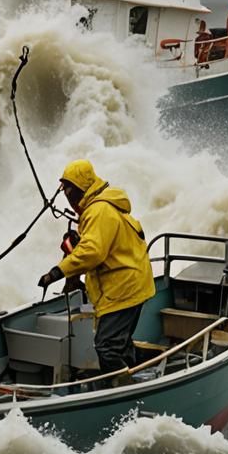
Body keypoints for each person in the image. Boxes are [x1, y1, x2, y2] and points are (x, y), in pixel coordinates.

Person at [38, 161, 155, 381]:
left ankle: (127, 392)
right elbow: (99, 244)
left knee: (106, 348)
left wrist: (57, 272)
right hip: (131, 284)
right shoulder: (100, 207)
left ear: (80, 188)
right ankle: (137, 371)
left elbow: (92, 252)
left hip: (124, 290)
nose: (67, 197)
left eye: (69, 191)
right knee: (119, 344)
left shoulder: (98, 211)